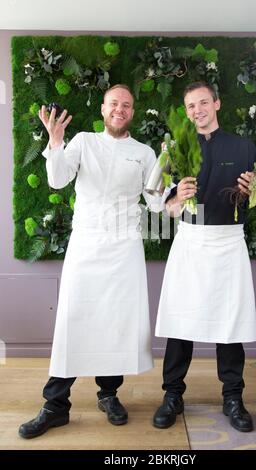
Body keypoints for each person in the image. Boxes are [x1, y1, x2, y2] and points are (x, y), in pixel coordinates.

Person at [19, 84, 170, 439]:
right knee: (73, 320)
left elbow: (158, 205)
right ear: (103, 109)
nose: (120, 109)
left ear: (132, 112)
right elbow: (57, 180)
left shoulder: (145, 152)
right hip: (86, 245)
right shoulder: (84, 141)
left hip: (125, 249)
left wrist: (166, 169)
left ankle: (108, 394)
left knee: (115, 322)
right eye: (114, 104)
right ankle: (55, 406)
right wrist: (55, 142)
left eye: (126, 105)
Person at [153, 81, 256, 433]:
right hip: (190, 242)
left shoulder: (243, 147)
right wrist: (177, 199)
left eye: (203, 102)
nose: (197, 110)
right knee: (180, 325)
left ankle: (233, 398)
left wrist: (251, 192)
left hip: (229, 244)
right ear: (187, 112)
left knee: (230, 326)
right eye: (190, 106)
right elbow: (163, 209)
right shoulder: (175, 149)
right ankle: (172, 396)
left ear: (216, 103)